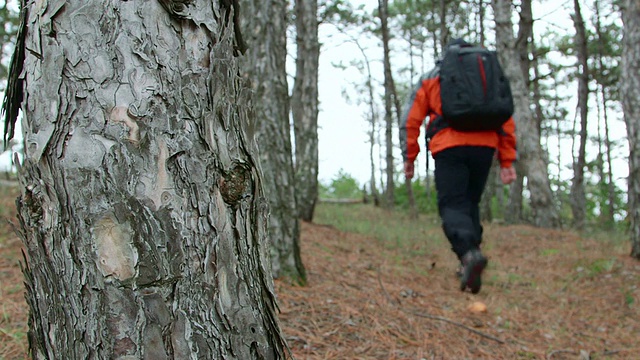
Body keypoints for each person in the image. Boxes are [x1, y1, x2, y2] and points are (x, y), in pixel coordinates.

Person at [399, 38, 517, 294]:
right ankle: (469, 259)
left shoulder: (435, 76)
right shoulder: (486, 76)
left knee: (453, 204)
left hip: (448, 146)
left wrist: (410, 156)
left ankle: (468, 254)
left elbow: (411, 119)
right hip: (484, 147)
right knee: (470, 203)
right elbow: (505, 117)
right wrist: (507, 160)